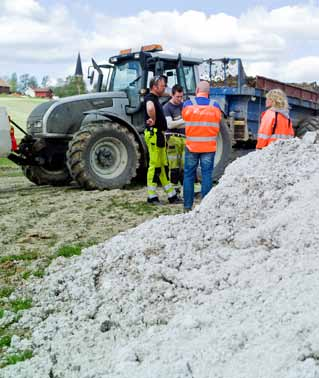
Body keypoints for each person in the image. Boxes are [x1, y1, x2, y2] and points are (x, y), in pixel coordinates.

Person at [182, 81, 221, 212]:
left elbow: (184, 118)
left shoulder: (188, 105)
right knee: (207, 175)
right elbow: (217, 120)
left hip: (192, 146)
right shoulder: (215, 106)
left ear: (197, 90)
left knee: (188, 175)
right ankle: (205, 207)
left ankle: (187, 206)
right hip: (209, 147)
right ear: (208, 92)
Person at [144, 75, 181, 205]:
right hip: (154, 135)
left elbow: (164, 92)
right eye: (162, 85)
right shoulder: (150, 98)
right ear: (154, 87)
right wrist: (153, 119)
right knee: (154, 166)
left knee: (163, 166)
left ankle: (171, 195)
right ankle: (151, 197)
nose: (164, 87)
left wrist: (171, 94)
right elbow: (149, 108)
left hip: (159, 135)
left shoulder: (156, 97)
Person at [163, 84, 185, 192]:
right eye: (178, 97)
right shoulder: (167, 107)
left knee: (185, 165)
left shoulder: (183, 105)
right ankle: (174, 191)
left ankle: (186, 189)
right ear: (172, 95)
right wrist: (184, 121)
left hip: (184, 138)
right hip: (172, 139)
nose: (180, 99)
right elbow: (170, 125)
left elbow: (176, 124)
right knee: (174, 166)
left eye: (181, 97)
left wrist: (178, 123)